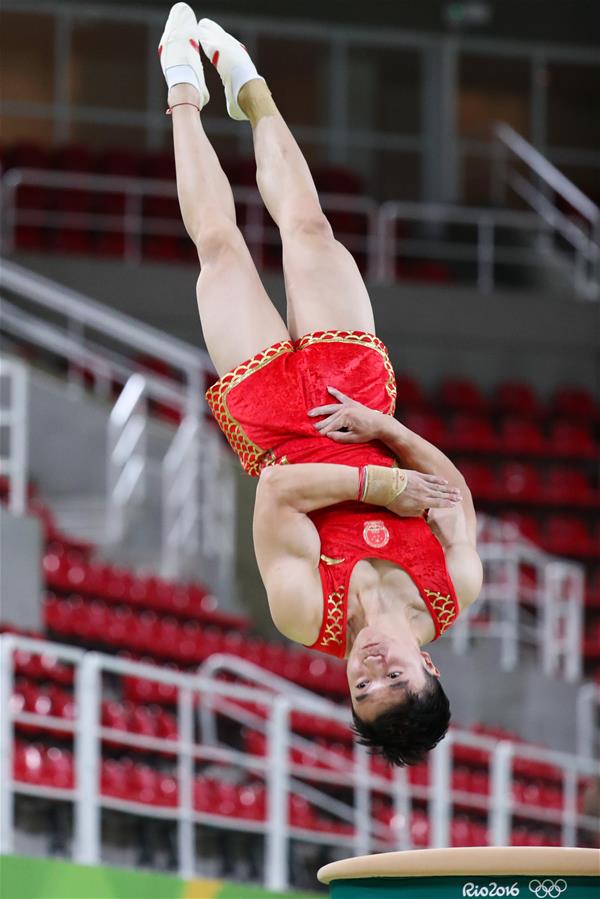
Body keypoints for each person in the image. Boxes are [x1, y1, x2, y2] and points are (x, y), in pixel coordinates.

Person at [159, 4, 483, 766]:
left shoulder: (305, 612)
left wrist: (379, 487)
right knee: (309, 229)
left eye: (363, 689)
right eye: (393, 675)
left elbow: (275, 493)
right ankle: (251, 89)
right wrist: (390, 437)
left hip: (274, 424)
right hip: (363, 407)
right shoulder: (453, 586)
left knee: (222, 251)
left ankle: (181, 89)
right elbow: (454, 495)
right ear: (428, 664)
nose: (370, 668)